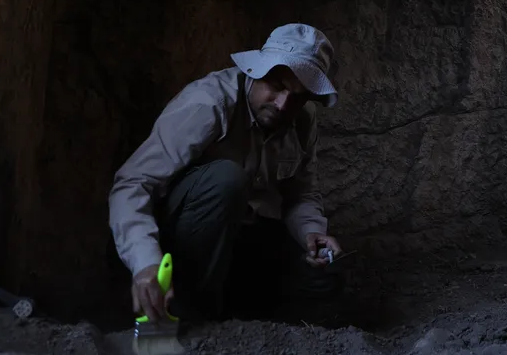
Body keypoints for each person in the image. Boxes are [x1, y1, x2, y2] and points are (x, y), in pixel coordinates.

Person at [109, 23, 344, 325]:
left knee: (322, 275)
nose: (284, 104)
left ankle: (245, 319)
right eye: (276, 85)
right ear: (256, 71)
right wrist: (145, 263)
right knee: (227, 180)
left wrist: (311, 231)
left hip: (241, 239)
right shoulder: (208, 104)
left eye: (298, 97)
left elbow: (302, 194)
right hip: (177, 246)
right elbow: (132, 183)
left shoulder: (301, 121)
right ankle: (187, 316)